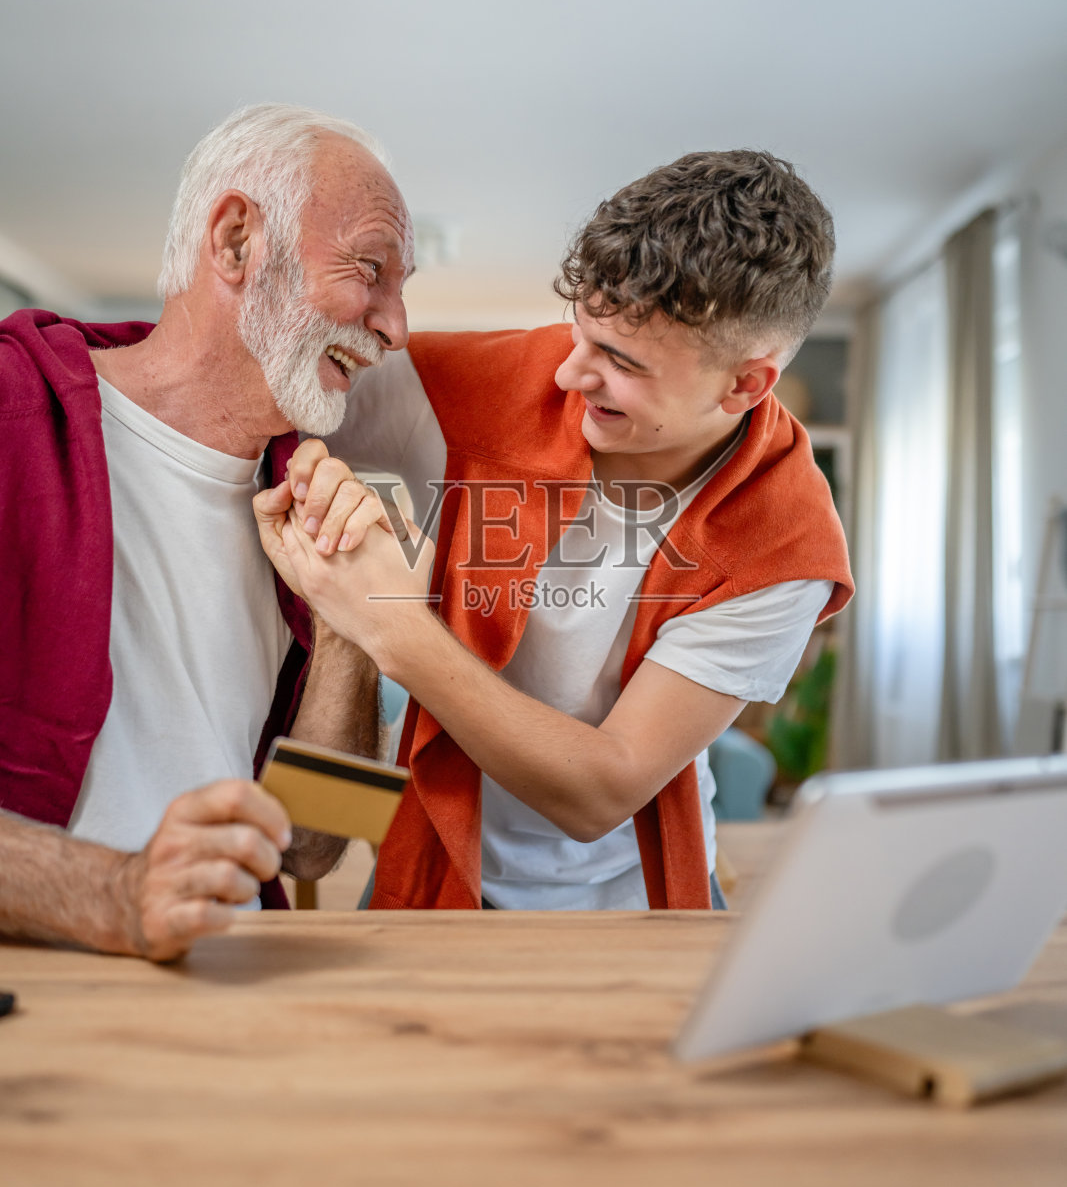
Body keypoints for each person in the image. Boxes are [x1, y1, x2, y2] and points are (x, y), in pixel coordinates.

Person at [256, 150, 853, 911]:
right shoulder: (468, 387)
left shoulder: (784, 542)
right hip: (429, 864)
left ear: (745, 384)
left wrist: (391, 626)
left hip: (641, 894)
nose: (568, 375)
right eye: (580, 335)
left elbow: (602, 791)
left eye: (618, 360)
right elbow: (259, 410)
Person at [0, 103, 413, 959]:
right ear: (234, 242)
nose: (394, 328)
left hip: (232, 986)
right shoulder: (11, 414)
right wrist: (112, 895)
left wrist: (350, 629)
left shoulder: (305, 497)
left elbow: (314, 844)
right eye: (369, 270)